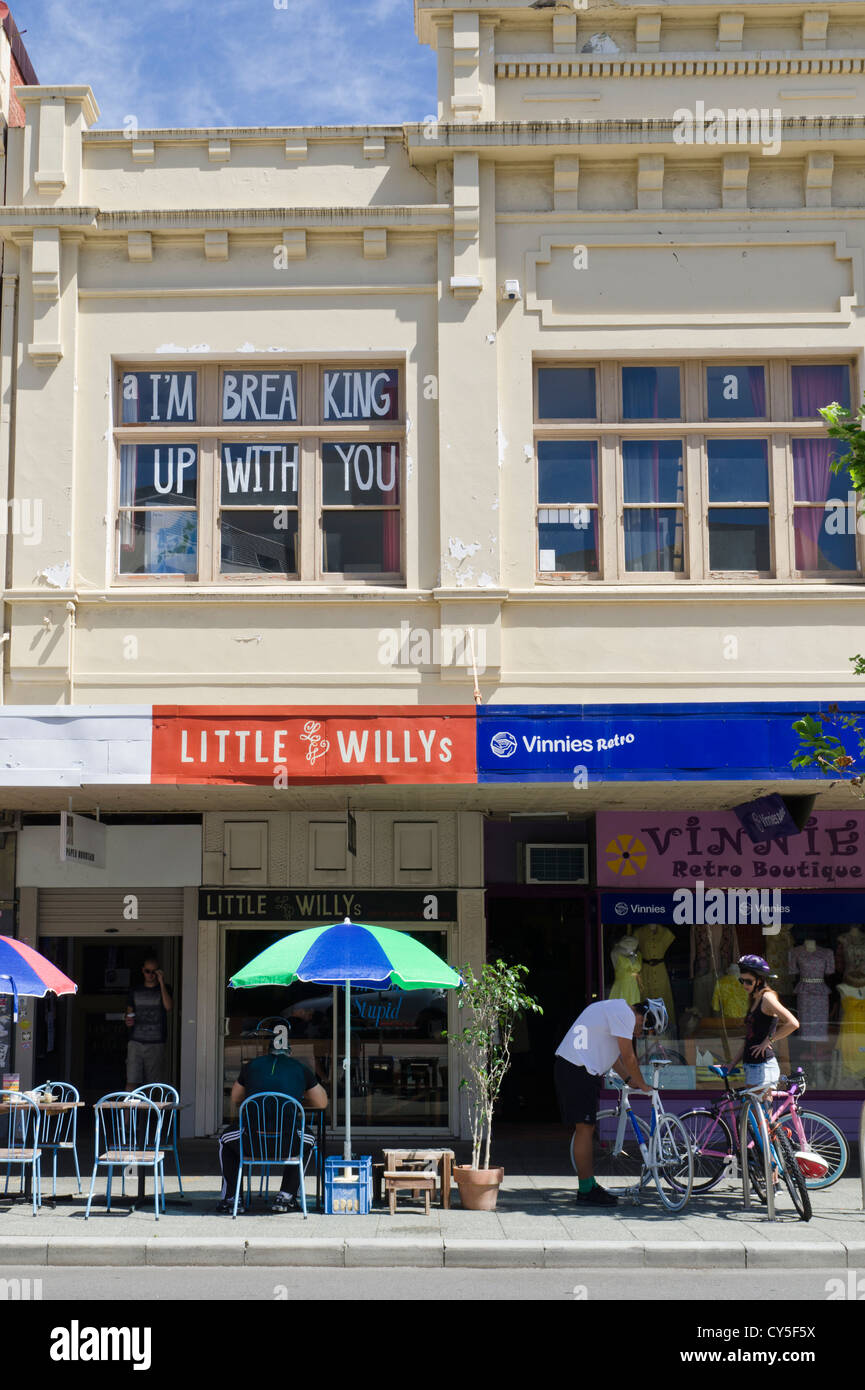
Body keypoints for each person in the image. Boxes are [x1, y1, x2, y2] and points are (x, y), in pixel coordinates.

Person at [555, 996, 664, 1207]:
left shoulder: (615, 1011)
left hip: (578, 1069)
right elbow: (629, 1056)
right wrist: (643, 1085)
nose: (640, 1032)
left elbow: (615, 1059)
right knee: (585, 1129)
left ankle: (589, 1187)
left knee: (586, 1128)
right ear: (643, 1014)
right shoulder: (623, 1013)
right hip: (577, 1069)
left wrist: (631, 1081)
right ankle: (586, 1190)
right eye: (645, 1025)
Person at [216, 1039, 327, 1214]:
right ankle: (287, 1195)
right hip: (287, 1143)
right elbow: (321, 1102)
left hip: (251, 1143)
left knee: (224, 1139)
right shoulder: (300, 1067)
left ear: (268, 1051)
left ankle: (232, 1198)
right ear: (290, 1052)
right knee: (309, 1140)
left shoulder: (252, 1065)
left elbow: (236, 1097)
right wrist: (298, 1092)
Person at [729, 954, 799, 1089]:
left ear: (759, 980)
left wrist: (768, 1040)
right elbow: (750, 1037)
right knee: (750, 1109)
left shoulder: (767, 997)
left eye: (748, 981)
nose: (744, 985)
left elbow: (793, 1023)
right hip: (751, 1066)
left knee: (761, 1110)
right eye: (741, 981)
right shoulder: (754, 999)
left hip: (763, 1066)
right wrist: (733, 1063)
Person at [125, 953, 173, 1087]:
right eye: (147, 971)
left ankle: (149, 1109)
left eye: (154, 972)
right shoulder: (135, 990)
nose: (150, 975)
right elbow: (129, 1012)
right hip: (136, 1042)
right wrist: (127, 1020)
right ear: (143, 971)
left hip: (156, 1043)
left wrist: (162, 982)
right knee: (132, 1081)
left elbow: (169, 1007)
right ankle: (129, 1108)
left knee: (152, 1084)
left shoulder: (165, 989)